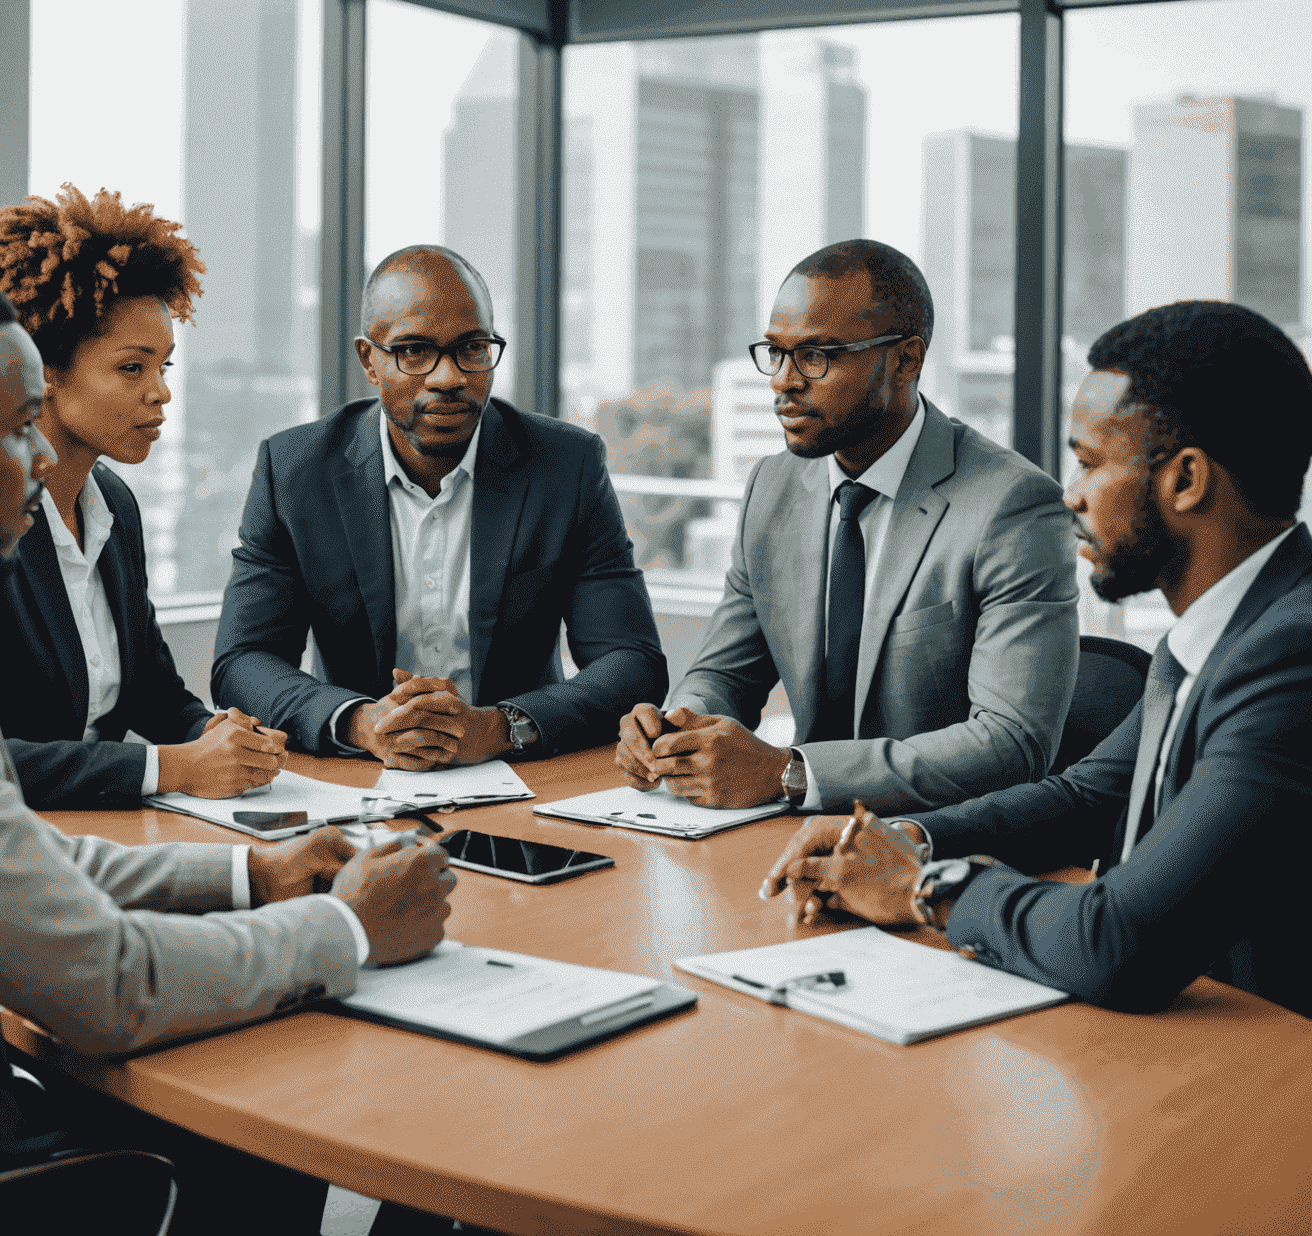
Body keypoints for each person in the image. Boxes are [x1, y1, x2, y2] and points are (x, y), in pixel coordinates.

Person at [0, 260, 454, 1226]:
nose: (42, 458)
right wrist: (349, 927)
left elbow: (1, 855)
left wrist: (245, 879)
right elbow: (108, 988)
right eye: (17, 428)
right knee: (275, 1104)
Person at [763, 301, 1312, 1019]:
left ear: (1185, 480)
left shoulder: (1289, 656)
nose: (1070, 494)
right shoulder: (1224, 628)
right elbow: (1086, 797)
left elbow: (1122, 941)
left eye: (1087, 462)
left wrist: (924, 889)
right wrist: (905, 838)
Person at [617, 239, 1078, 814]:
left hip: (935, 848)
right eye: (775, 352)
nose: (782, 381)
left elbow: (1011, 743)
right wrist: (677, 730)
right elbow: (725, 673)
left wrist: (791, 773)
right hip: (788, 837)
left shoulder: (1012, 507)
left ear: (906, 359)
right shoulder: (773, 487)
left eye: (816, 356)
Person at [212, 244, 667, 769]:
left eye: (472, 348)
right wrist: (363, 723)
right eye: (414, 351)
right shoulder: (296, 471)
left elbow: (631, 662)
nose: (448, 377)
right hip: (357, 780)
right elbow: (241, 661)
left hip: (520, 777)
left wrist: (499, 727)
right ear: (369, 361)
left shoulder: (566, 466)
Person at [0, 185, 282, 808]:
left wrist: (216, 734)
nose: (161, 393)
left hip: (117, 831)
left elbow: (152, 690)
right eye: (131, 368)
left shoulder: (115, 504)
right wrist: (171, 767)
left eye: (165, 367)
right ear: (45, 369)